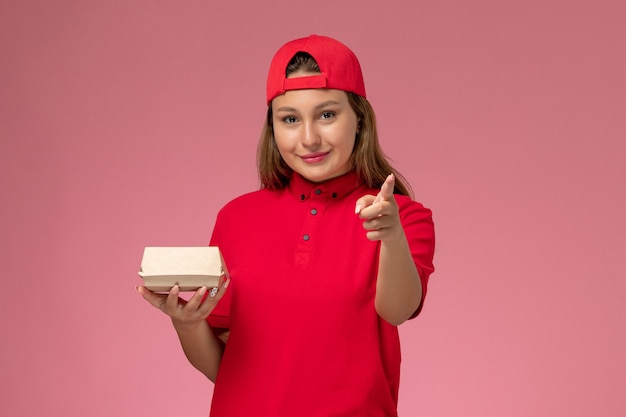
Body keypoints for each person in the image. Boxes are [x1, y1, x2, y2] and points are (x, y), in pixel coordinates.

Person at [137, 34, 435, 417]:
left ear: (359, 119)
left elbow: (397, 310)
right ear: (273, 127)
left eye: (327, 115)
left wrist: (390, 236)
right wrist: (187, 324)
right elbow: (228, 371)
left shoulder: (403, 216)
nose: (309, 138)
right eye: (290, 119)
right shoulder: (236, 218)